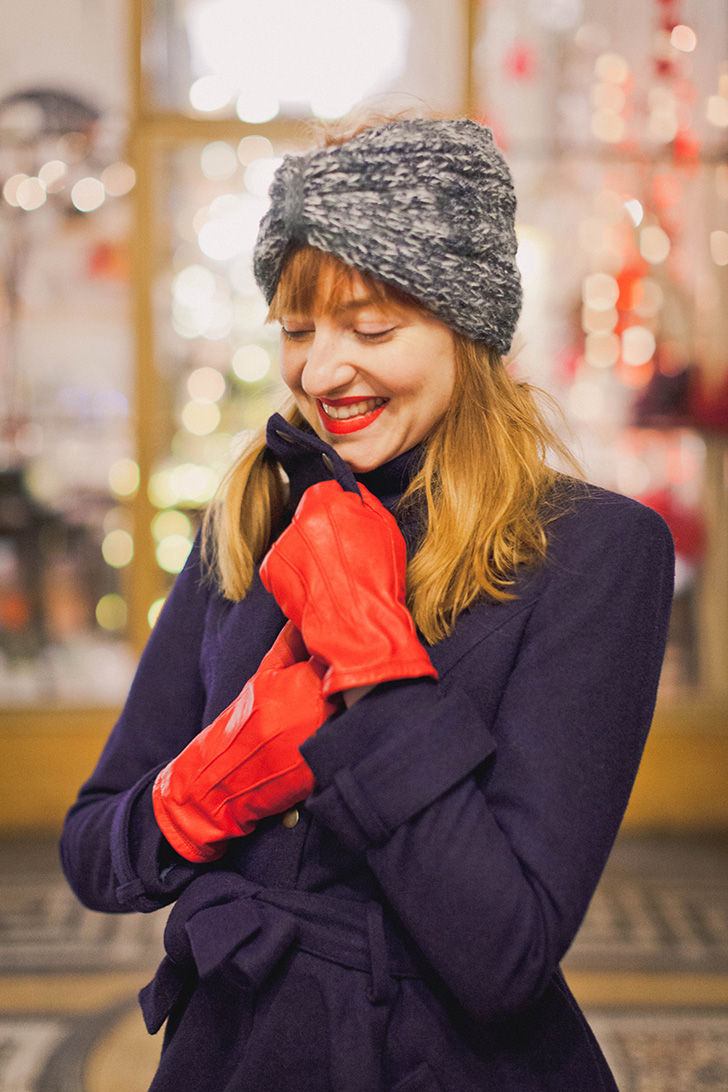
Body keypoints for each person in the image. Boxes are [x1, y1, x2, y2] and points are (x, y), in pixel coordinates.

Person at [60, 116, 674, 1092]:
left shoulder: (594, 552)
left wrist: (371, 659)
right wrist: (206, 788)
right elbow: (95, 849)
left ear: (468, 322)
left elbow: (504, 954)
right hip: (228, 1056)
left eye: (372, 327)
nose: (320, 372)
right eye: (298, 329)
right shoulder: (252, 514)